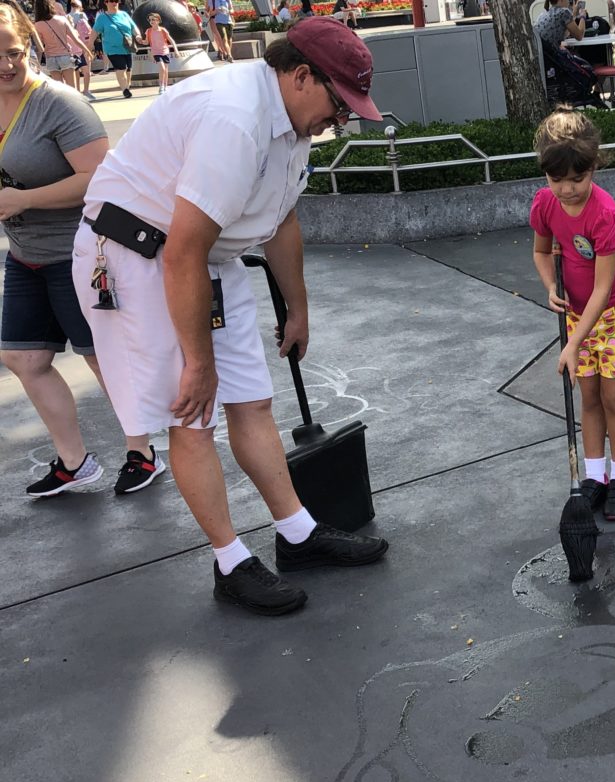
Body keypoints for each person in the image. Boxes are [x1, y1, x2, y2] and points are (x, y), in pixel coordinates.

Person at [71, 17, 389, 615]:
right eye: (339, 104)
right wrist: (197, 360)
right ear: (300, 76)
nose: (339, 119)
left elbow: (282, 219)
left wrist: (298, 308)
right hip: (138, 256)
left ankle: (297, 533)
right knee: (193, 413)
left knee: (253, 399)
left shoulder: (291, 123)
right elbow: (181, 252)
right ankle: (230, 560)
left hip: (206, 256)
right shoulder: (234, 120)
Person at [0, 1, 163, 496]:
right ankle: (75, 462)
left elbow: (101, 178)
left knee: (101, 357)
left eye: (14, 52)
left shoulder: (57, 103)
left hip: (81, 252)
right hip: (25, 253)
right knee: (23, 359)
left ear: (29, 45)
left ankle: (143, 453)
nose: (7, 65)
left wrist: (23, 198)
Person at [530, 108, 615, 521]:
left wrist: (573, 344)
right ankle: (594, 475)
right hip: (575, 313)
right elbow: (542, 252)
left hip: (612, 312)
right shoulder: (546, 203)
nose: (567, 189)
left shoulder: (606, 214)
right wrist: (550, 288)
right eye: (556, 179)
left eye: (576, 179)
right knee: (589, 396)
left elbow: (602, 289)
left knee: (614, 398)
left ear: (593, 166)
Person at [32, 0, 91, 91]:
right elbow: (76, 39)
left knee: (60, 89)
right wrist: (87, 50)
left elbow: (40, 46)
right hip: (65, 55)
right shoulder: (62, 19)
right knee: (72, 87)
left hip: (50, 57)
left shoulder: (37, 25)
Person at [91, 0, 139, 98]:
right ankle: (125, 89)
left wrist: (138, 36)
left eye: (116, 1)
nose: (115, 3)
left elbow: (133, 27)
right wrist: (90, 44)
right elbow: (94, 32)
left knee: (129, 69)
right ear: (106, 2)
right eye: (112, 1)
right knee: (121, 68)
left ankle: (127, 86)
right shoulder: (102, 18)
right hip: (112, 49)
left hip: (127, 46)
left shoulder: (124, 14)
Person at [140, 11, 177, 93]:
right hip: (156, 52)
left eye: (153, 19)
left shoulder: (163, 30)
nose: (151, 21)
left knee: (166, 70)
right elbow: (147, 42)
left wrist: (176, 50)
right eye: (150, 20)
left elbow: (171, 40)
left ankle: (165, 86)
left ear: (158, 20)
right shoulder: (148, 31)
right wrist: (141, 41)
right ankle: (161, 86)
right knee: (162, 68)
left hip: (165, 51)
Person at [66, 0, 94, 99]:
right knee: (86, 71)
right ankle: (86, 90)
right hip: (83, 46)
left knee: (76, 72)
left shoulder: (66, 17)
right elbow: (88, 30)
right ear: (79, 6)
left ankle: (77, 92)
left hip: (72, 49)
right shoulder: (82, 15)